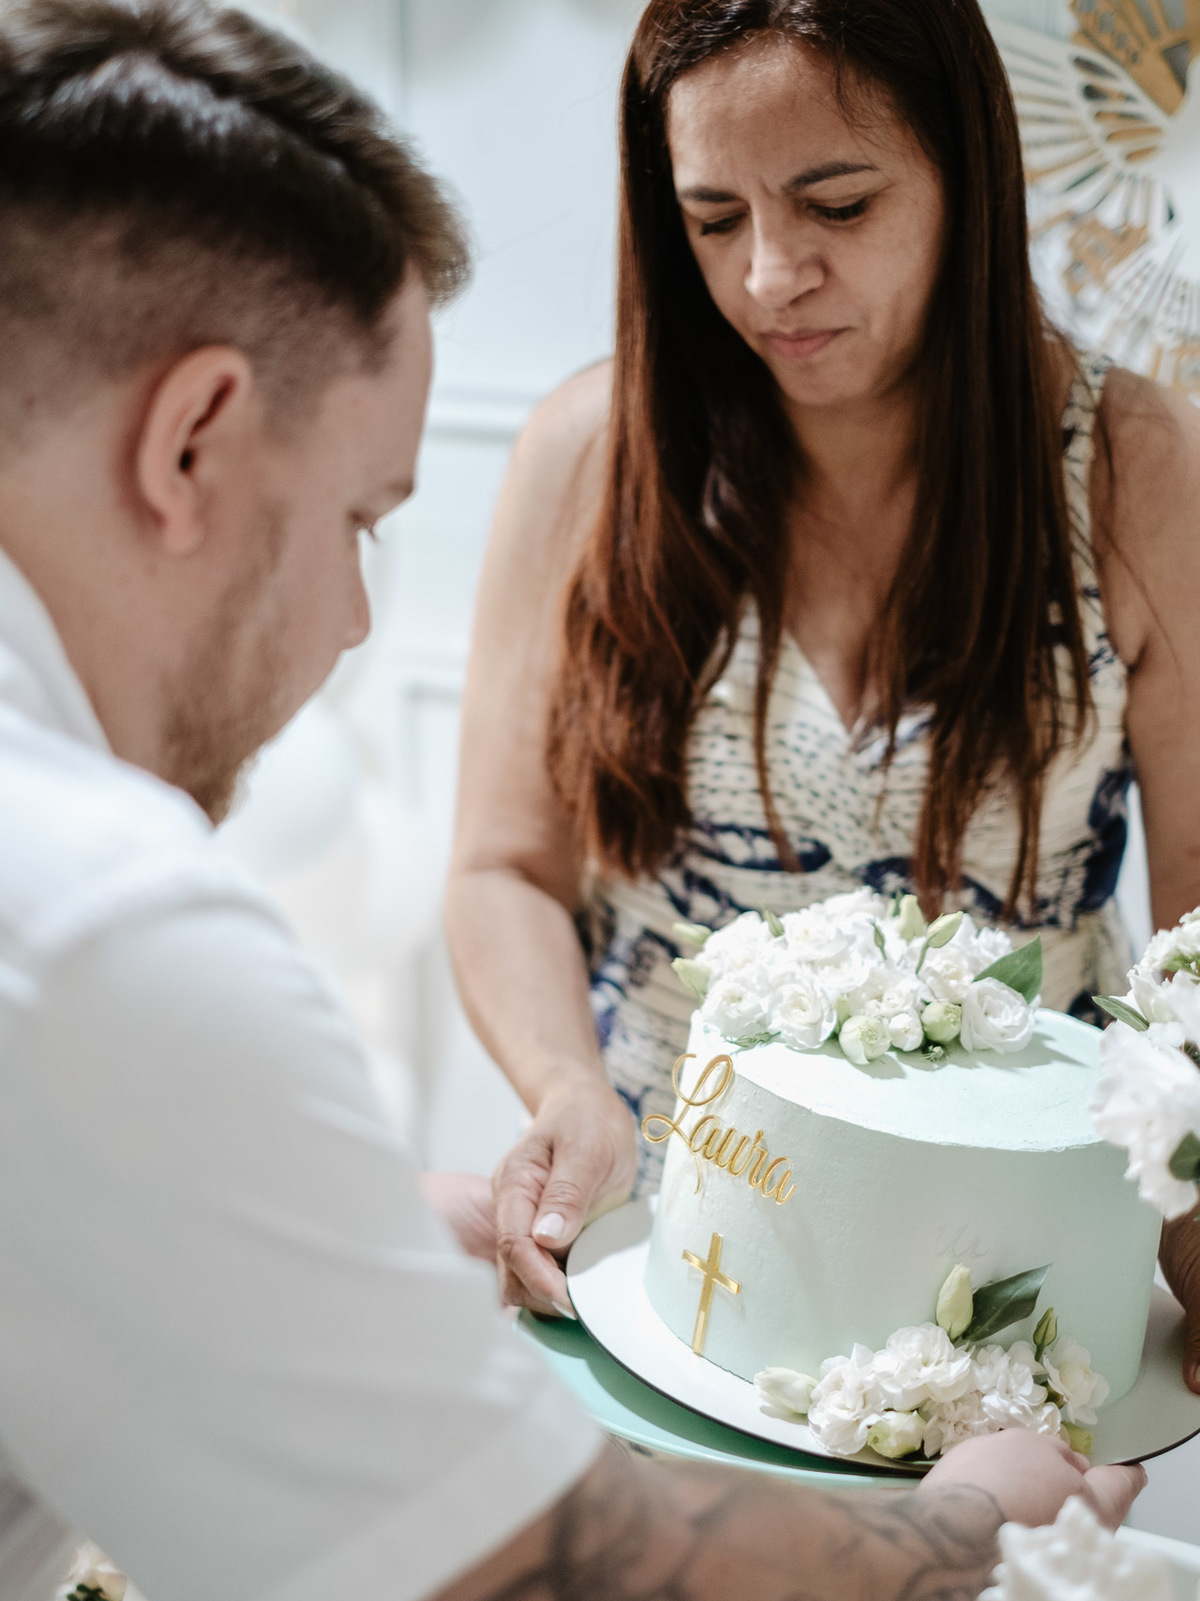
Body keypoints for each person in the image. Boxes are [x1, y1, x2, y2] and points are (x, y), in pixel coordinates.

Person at [0, 0, 1143, 1601]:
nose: (368, 620)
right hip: (671, 1279)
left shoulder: (1134, 471)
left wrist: (336, 1237)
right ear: (194, 440)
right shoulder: (101, 930)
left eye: (837, 201)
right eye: (368, 520)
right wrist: (970, 1534)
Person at [446, 0, 1200, 1370]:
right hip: (664, 1236)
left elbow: (1199, 909)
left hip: (1011, 1278)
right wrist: (562, 1088)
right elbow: (503, 866)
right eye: (714, 217)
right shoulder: (588, 457)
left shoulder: (1130, 470)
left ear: (967, 176)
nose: (769, 276)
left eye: (836, 205)